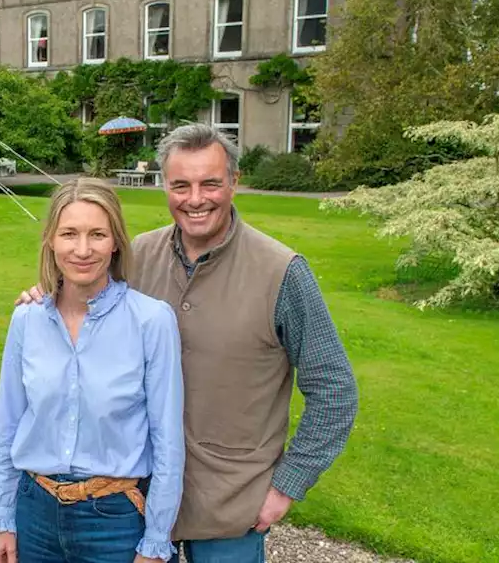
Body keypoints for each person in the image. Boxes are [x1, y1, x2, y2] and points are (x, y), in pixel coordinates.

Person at [18, 124, 359, 563]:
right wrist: (44, 295)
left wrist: (287, 485)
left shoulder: (282, 272)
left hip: (228, 505)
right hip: (136, 500)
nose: (195, 199)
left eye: (210, 183)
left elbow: (334, 390)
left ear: (235, 182)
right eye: (181, 185)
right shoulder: (138, 257)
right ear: (166, 186)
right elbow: (82, 293)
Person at [0, 177, 185, 563]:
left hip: (115, 520)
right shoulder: (27, 319)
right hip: (36, 513)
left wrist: (157, 542)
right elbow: (7, 426)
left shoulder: (151, 321)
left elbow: (168, 443)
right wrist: (1, 520)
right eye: (69, 234)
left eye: (97, 234)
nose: (82, 249)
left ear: (115, 243)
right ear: (50, 240)